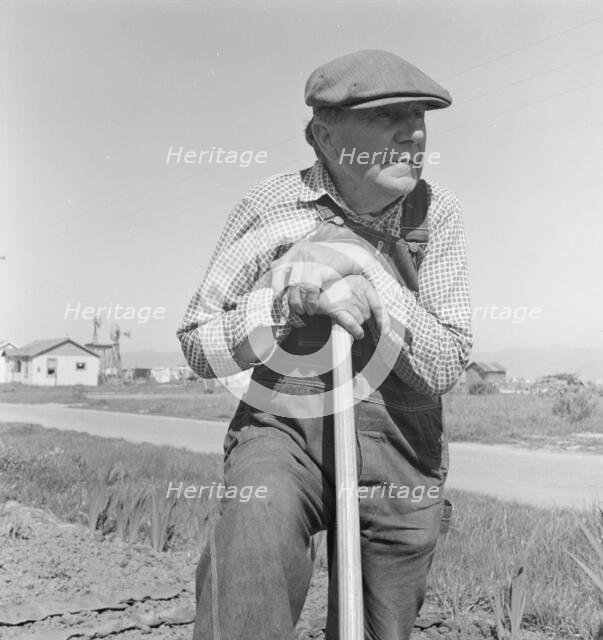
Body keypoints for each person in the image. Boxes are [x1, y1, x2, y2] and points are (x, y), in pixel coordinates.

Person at [177, 49, 472, 640]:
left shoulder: (438, 215)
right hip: (286, 432)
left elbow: (446, 361)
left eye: (420, 118)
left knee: (379, 625)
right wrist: (287, 304)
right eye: (390, 117)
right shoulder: (269, 207)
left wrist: (358, 269)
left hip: (401, 447)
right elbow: (197, 342)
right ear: (325, 134)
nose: (413, 133)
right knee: (253, 533)